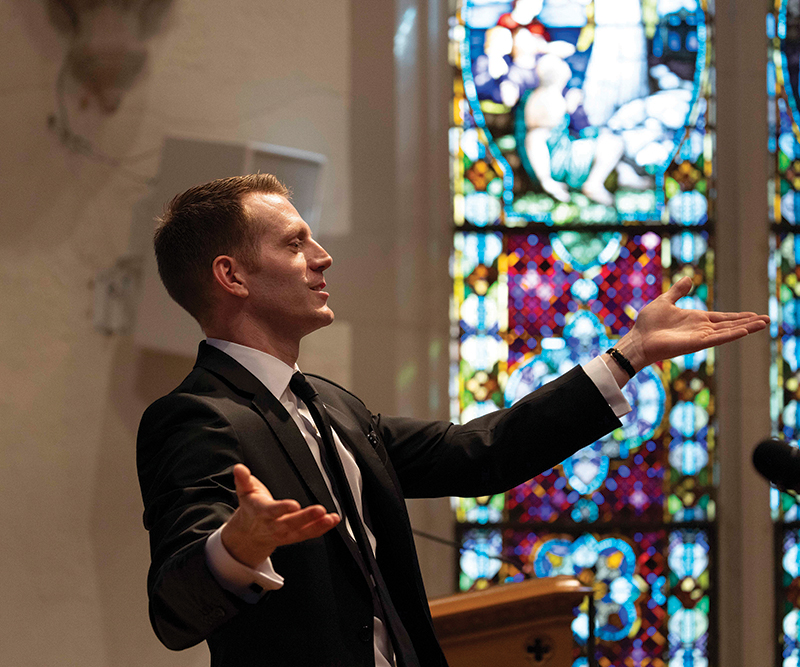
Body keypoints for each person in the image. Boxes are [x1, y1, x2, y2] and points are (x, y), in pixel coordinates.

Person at [136, 173, 768, 667]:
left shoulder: (333, 406)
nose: (323, 257)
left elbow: (482, 452)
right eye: (295, 243)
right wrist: (235, 547)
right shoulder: (196, 418)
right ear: (231, 275)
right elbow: (174, 608)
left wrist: (628, 356)